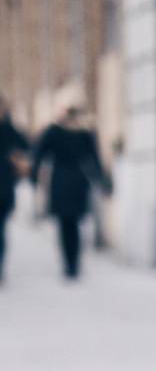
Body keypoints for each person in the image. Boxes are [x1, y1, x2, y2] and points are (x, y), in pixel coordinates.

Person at [31, 102, 107, 278]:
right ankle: (73, 264)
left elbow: (39, 154)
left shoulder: (54, 131)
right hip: (77, 182)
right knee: (74, 224)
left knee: (65, 225)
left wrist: (34, 176)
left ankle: (69, 263)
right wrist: (101, 181)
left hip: (60, 181)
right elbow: (95, 159)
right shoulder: (84, 133)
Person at [0, 97, 30, 283]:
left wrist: (17, 158)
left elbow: (27, 147)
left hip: (4, 188)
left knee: (0, 231)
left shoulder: (11, 130)